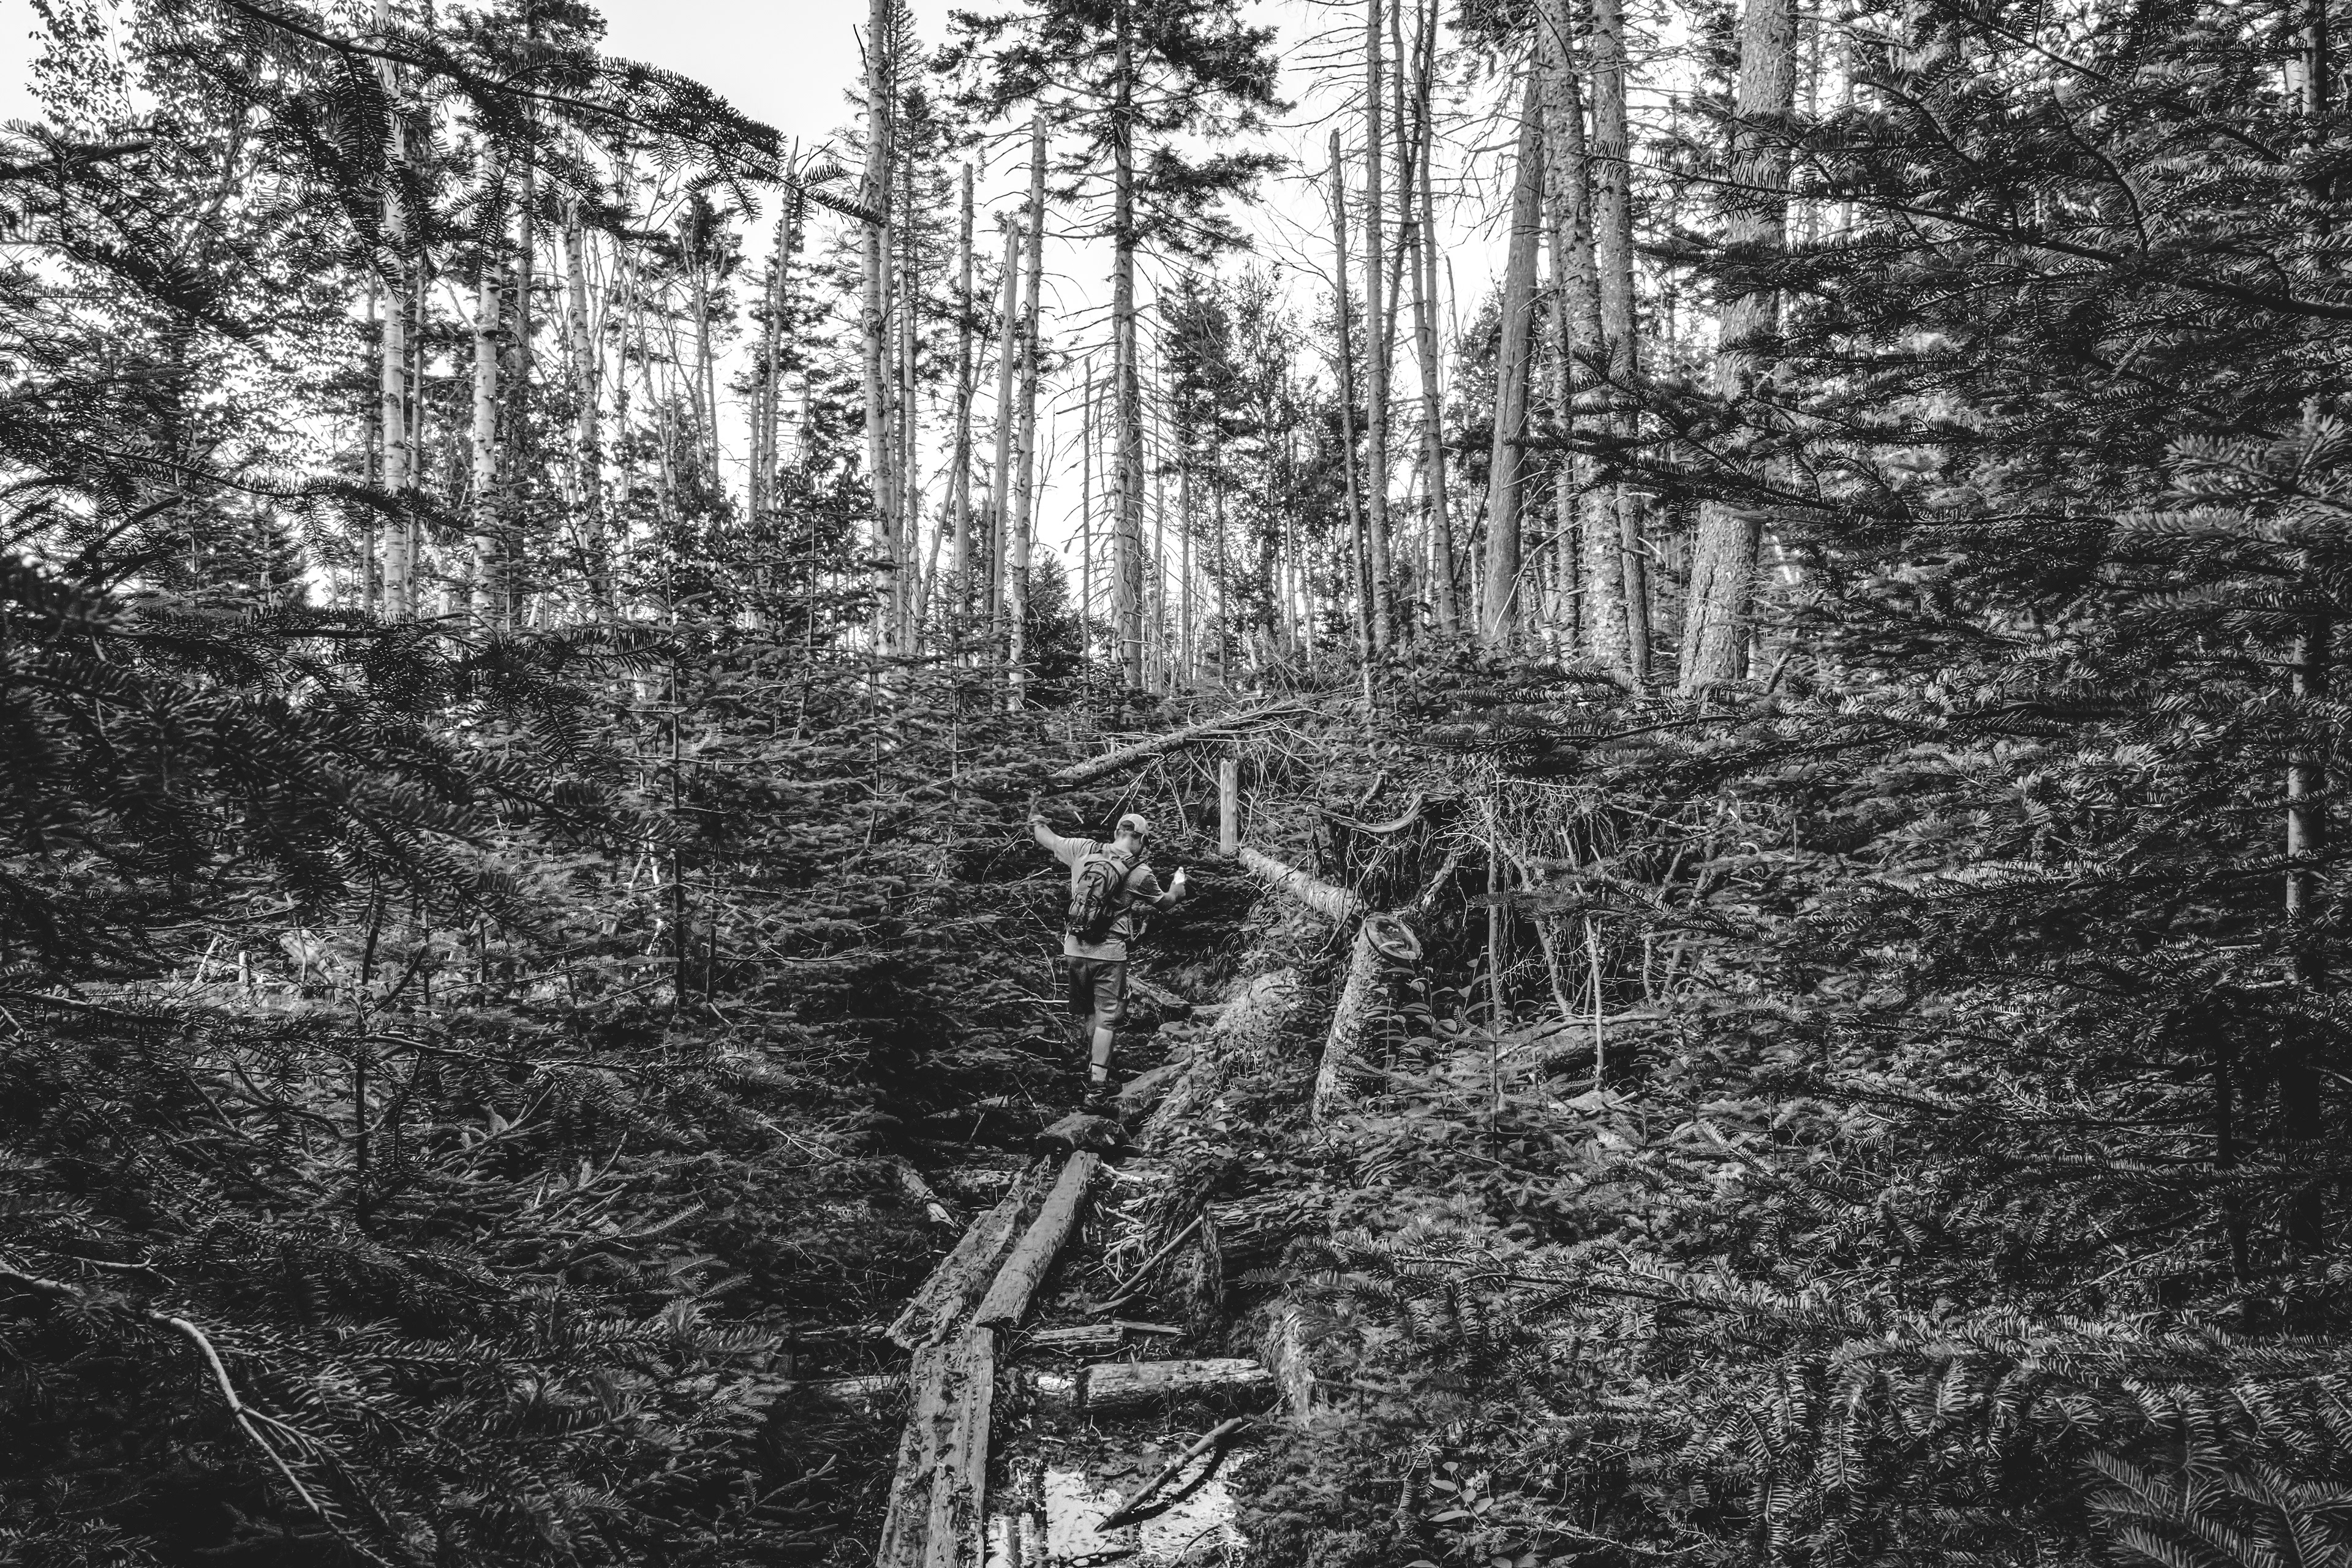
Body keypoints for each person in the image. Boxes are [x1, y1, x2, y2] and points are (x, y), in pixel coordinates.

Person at [1028, 808, 1188, 1107]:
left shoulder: (1082, 849)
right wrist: (1178, 884)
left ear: (1116, 833)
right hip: (1109, 954)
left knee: (1091, 1011)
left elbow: (1047, 838)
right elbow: (1167, 903)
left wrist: (1037, 819)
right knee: (1108, 1019)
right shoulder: (1140, 873)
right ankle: (1097, 1089)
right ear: (1141, 839)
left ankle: (1094, 1068)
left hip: (1074, 949)